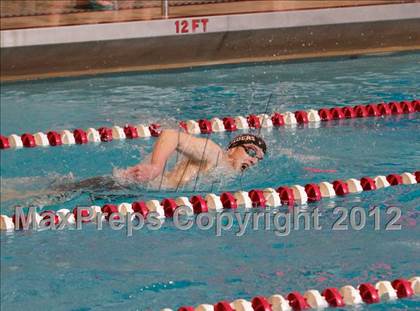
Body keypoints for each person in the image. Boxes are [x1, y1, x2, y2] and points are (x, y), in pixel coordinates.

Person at [116, 130, 267, 188]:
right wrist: (156, 167)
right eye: (251, 152)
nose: (254, 161)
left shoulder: (228, 173)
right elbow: (171, 135)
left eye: (258, 159)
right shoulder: (215, 154)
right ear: (233, 148)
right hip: (128, 185)